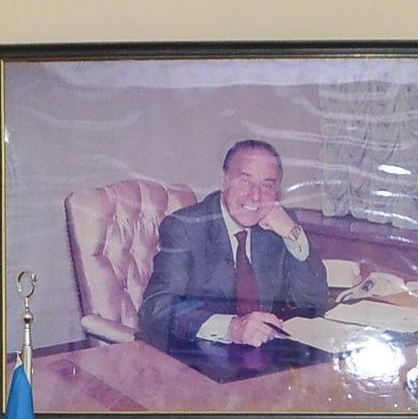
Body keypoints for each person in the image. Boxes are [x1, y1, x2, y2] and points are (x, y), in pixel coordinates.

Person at [136, 139, 327, 351]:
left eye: (267, 185)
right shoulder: (185, 228)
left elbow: (314, 302)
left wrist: (293, 235)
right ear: (224, 181)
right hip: (198, 361)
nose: (256, 196)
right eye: (245, 181)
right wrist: (231, 328)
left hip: (262, 356)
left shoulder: (277, 225)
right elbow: (156, 309)